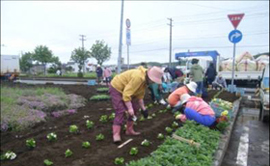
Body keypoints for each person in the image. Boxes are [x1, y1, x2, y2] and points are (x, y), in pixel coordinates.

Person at [109, 66, 164, 143]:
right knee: (120, 110)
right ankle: (116, 134)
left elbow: (140, 96)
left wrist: (143, 109)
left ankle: (129, 130)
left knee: (135, 108)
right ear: (149, 77)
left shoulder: (144, 81)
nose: (153, 82)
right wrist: (129, 108)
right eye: (153, 81)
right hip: (117, 87)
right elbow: (126, 94)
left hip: (126, 90)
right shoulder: (138, 78)